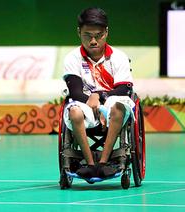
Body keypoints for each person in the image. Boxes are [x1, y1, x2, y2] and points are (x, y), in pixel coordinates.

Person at [62, 7, 135, 179]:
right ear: (79, 32)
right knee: (74, 111)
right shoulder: (72, 58)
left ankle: (103, 162)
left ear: (106, 32)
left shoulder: (119, 57)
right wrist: (92, 99)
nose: (93, 41)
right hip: (84, 103)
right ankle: (90, 164)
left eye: (98, 35)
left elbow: (124, 89)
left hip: (112, 101)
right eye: (87, 35)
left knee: (118, 106)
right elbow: (75, 91)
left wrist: (100, 97)